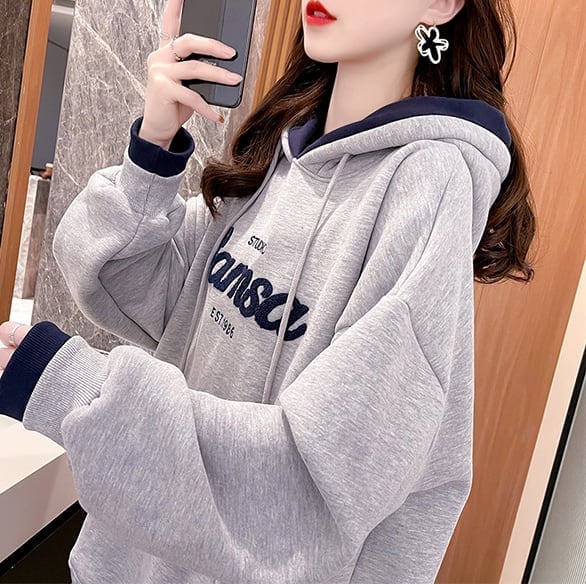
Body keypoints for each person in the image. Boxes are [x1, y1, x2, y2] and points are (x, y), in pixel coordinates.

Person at [0, 0, 536, 581]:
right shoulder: (282, 152)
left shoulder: (430, 184)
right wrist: (154, 143)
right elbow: (121, 280)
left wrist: (72, 388)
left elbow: (309, 487)